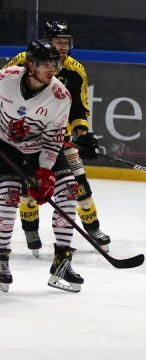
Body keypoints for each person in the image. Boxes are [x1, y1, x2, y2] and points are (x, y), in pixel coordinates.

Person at [3, 21, 108, 255]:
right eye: (58, 41)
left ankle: (93, 228)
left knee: (77, 183)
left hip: (56, 134)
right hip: (20, 136)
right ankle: (31, 229)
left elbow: (79, 109)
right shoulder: (22, 61)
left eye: (66, 42)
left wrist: (84, 135)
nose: (63, 46)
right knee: (25, 185)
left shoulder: (75, 70)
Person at [0, 39, 84, 293]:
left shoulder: (60, 96)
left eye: (54, 63)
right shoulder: (5, 78)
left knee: (69, 191)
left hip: (40, 149)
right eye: (45, 64)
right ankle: (1, 258)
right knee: (9, 195)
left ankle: (62, 262)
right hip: (6, 146)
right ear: (30, 65)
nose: (52, 69)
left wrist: (45, 171)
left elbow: (53, 139)